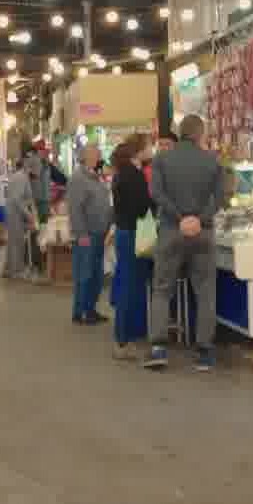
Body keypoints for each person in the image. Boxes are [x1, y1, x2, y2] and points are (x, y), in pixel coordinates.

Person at [144, 114, 226, 372]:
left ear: (180, 133)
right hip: (203, 233)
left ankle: (158, 349)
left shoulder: (162, 160)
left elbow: (156, 193)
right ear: (200, 134)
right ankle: (204, 352)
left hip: (171, 230)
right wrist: (199, 218)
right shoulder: (212, 161)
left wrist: (180, 217)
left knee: (162, 289)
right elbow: (220, 197)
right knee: (205, 291)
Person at [109, 139, 153, 357]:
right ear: (138, 151)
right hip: (134, 233)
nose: (151, 150)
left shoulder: (121, 174)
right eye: (148, 146)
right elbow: (141, 207)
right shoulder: (134, 175)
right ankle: (122, 340)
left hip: (123, 232)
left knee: (128, 283)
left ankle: (124, 336)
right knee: (130, 285)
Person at [66, 143, 112, 325]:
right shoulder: (78, 179)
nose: (99, 157)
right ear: (85, 157)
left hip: (99, 234)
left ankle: (91, 308)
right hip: (87, 235)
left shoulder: (95, 177)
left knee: (96, 274)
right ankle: (81, 311)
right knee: (84, 274)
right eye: (96, 154)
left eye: (99, 154)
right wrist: (81, 233)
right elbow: (75, 209)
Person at [2, 155, 41, 281]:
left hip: (16, 213)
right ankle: (15, 271)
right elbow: (17, 199)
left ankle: (9, 269)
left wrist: (33, 211)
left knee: (14, 242)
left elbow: (28, 199)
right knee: (16, 243)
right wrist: (29, 216)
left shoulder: (23, 177)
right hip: (14, 214)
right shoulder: (21, 178)